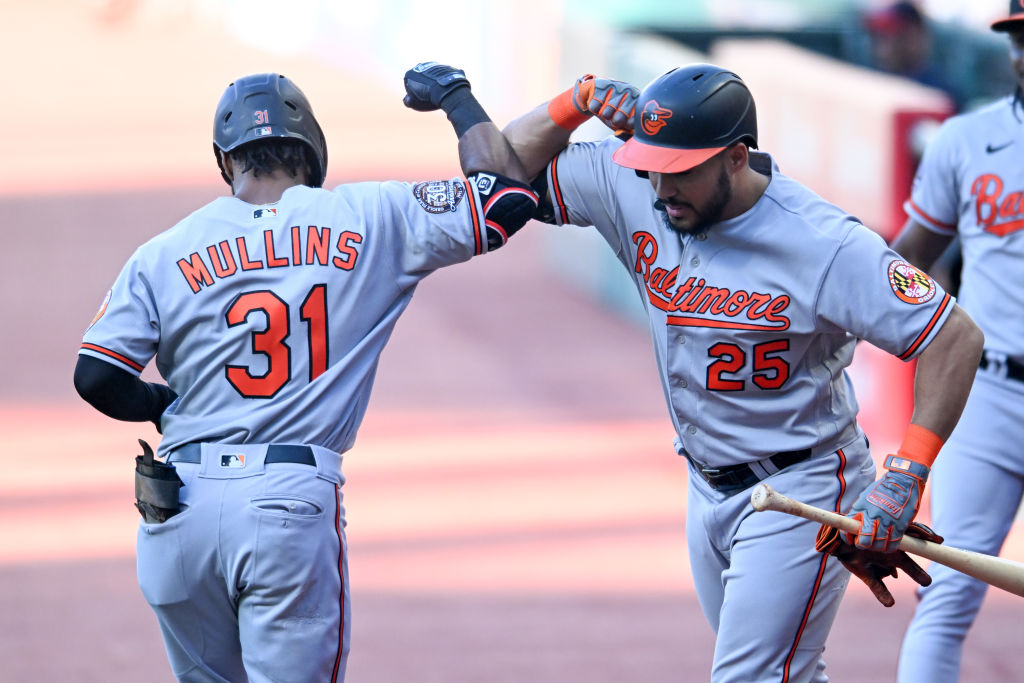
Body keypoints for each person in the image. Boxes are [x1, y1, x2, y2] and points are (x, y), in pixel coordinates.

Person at [500, 64, 983, 681]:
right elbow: (502, 170)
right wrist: (574, 103)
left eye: (680, 171)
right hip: (705, 484)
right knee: (784, 673)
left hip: (802, 490)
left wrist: (906, 475)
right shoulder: (637, 186)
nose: (659, 188)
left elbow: (953, 336)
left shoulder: (823, 243)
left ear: (734, 157)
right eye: (649, 165)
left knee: (750, 676)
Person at [73, 65, 537, 682]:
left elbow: (96, 377)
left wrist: (165, 404)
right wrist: (454, 95)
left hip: (177, 508)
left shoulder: (163, 251)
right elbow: (505, 200)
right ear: (313, 147)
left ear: (224, 159)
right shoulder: (370, 213)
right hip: (285, 505)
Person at [893, 3, 1024, 680]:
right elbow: (911, 255)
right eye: (1021, 38)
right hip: (990, 392)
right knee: (945, 594)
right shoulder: (965, 140)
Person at [863, 0, 962, 111]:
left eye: (892, 36)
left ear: (914, 37)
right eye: (879, 37)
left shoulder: (937, 94)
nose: (882, 47)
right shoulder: (874, 80)